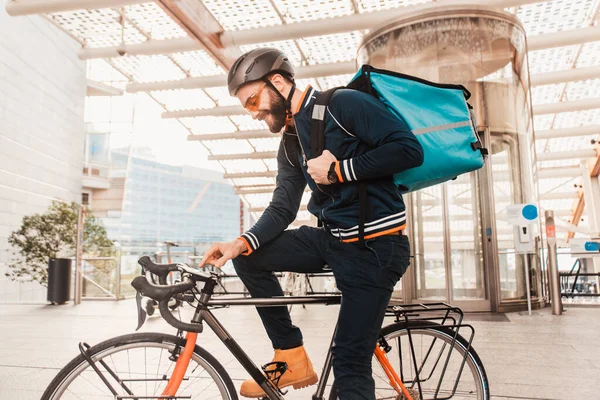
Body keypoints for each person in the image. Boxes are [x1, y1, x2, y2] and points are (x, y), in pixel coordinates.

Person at [200, 47, 424, 399]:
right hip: (331, 240)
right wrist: (239, 242)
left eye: (253, 100)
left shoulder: (343, 105)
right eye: (246, 106)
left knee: (350, 361)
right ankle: (291, 355)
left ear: (277, 82)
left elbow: (409, 149)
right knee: (248, 257)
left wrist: (339, 170)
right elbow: (282, 208)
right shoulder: (291, 142)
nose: (253, 113)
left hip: (375, 247)